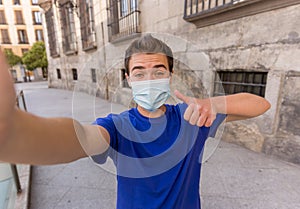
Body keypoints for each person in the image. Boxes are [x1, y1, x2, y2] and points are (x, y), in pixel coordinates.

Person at [0, 35, 270, 209]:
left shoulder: (192, 116)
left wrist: (212, 104)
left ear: (170, 75)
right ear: (129, 78)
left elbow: (260, 104)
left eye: (158, 71)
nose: (149, 79)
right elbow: (81, 137)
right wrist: (15, 132)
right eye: (139, 73)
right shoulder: (117, 126)